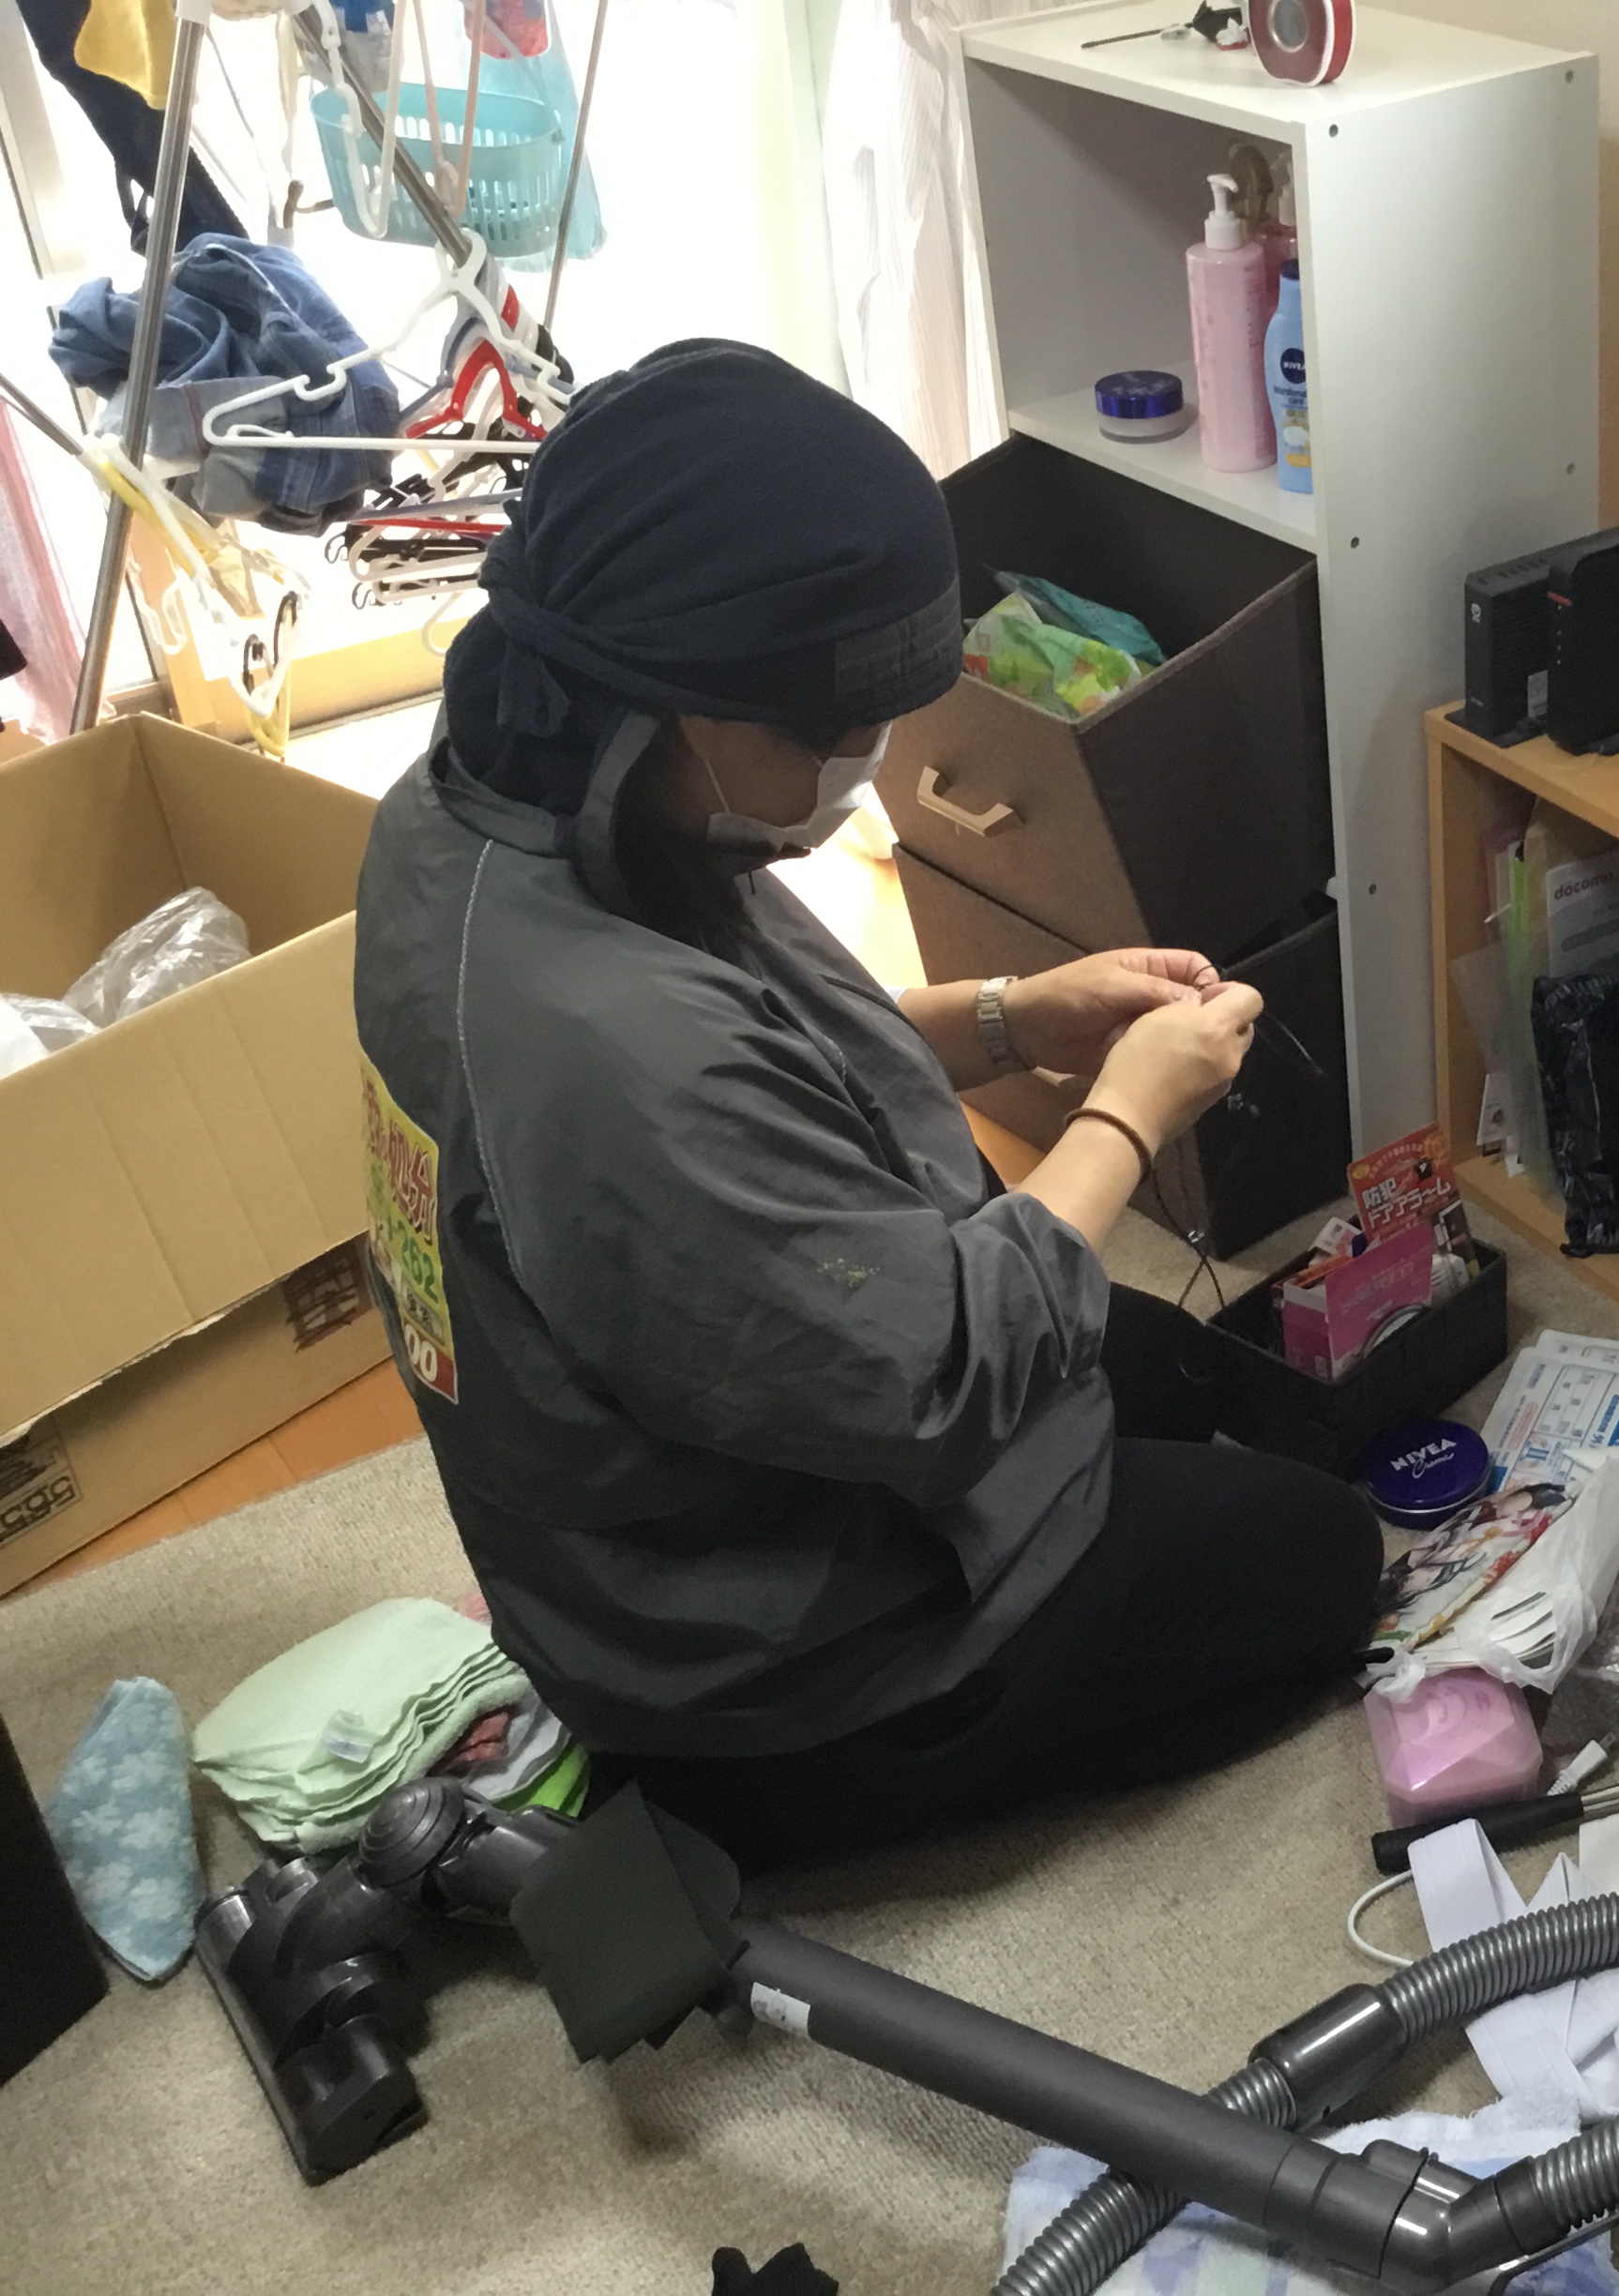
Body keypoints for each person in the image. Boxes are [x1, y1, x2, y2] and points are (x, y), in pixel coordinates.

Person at [352, 340, 1381, 1871]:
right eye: (829, 730)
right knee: (1321, 1560)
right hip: (761, 1672)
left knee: (1189, 1373)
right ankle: (842, 1789)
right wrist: (1126, 1114)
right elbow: (946, 1374)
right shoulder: (605, 1043)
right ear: (687, 705)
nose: (861, 761)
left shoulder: (503, 811)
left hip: (691, 1489)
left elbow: (763, 1062)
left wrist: (1016, 1014)